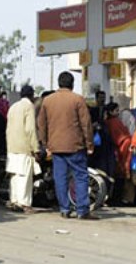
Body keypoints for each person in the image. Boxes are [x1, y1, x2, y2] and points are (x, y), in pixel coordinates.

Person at [36, 72, 96, 220]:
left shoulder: (48, 101)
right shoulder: (78, 99)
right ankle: (82, 210)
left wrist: (45, 143)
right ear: (72, 83)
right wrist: (89, 144)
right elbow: (86, 124)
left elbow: (41, 124)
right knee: (81, 177)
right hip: (75, 146)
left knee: (60, 178)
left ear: (58, 83)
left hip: (56, 146)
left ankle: (64, 209)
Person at [5, 85, 38, 213]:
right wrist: (35, 148)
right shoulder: (29, 106)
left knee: (14, 176)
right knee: (24, 177)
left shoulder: (13, 107)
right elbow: (30, 129)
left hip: (12, 146)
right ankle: (24, 204)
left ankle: (14, 201)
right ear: (32, 95)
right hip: (24, 146)